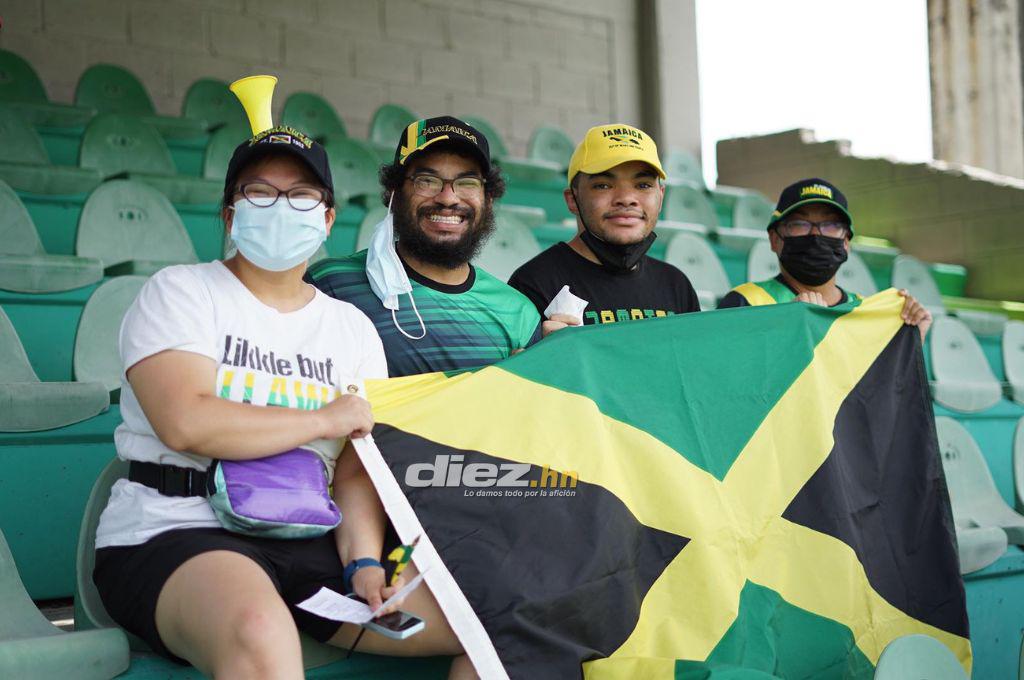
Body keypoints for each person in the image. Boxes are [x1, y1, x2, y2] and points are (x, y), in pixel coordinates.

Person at [91, 122, 474, 679]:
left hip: (308, 538)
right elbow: (186, 422)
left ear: (327, 218)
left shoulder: (351, 328)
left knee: (493, 628)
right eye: (259, 193)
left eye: (300, 195)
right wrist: (322, 419)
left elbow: (353, 471)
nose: (280, 208)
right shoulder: (181, 291)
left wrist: (364, 562)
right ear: (230, 215)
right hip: (179, 528)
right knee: (259, 629)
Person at [306, 116, 540, 377]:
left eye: (467, 183)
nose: (448, 198)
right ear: (394, 193)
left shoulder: (518, 313)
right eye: (427, 180)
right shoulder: (331, 285)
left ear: (488, 199)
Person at [508, 123, 701, 336]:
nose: (626, 198)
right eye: (603, 185)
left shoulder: (676, 285)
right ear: (572, 199)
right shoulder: (533, 283)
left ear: (661, 197)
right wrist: (544, 352)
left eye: (643, 185)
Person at [716, 178, 931, 339]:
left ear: (846, 242)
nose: (816, 235)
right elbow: (726, 379)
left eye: (831, 225)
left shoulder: (865, 313)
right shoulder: (745, 304)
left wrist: (911, 340)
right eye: (800, 224)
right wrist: (787, 329)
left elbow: (882, 385)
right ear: (774, 239)